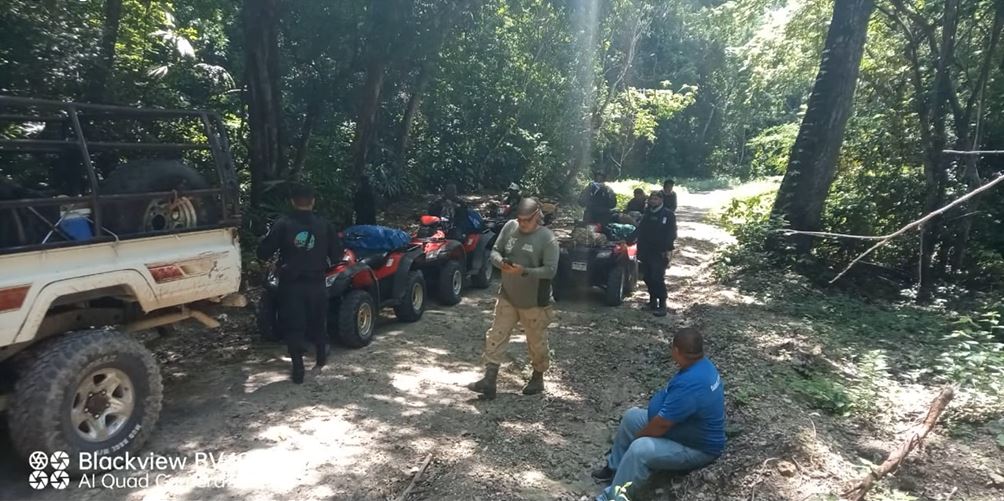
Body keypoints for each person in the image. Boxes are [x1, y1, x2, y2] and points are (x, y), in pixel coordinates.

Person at [590, 328, 725, 501]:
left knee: (640, 449)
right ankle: (615, 469)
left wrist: (639, 437)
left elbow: (661, 425)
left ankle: (613, 497)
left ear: (676, 350)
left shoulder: (692, 384)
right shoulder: (702, 365)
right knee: (632, 417)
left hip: (698, 449)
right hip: (683, 430)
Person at [467, 198, 559, 399]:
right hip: (508, 294)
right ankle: (489, 380)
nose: (522, 224)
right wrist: (501, 263)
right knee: (496, 335)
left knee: (536, 341)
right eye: (520, 219)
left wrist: (525, 271)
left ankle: (537, 376)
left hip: (535, 300)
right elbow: (495, 251)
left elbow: (551, 270)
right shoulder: (510, 227)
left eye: (527, 220)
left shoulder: (547, 238)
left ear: (537, 217)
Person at [257, 184, 343, 384]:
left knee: (294, 326)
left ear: (292, 201)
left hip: (291, 285)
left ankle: (298, 370)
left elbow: (263, 252)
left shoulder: (283, 224)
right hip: (317, 282)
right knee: (318, 321)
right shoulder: (325, 224)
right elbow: (337, 255)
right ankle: (321, 358)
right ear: (313, 201)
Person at [637, 191, 676, 316]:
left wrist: (667, 249)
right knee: (647, 276)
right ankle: (652, 301)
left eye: (655, 199)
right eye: (651, 199)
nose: (653, 201)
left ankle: (662, 304)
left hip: (660, 251)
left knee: (657, 277)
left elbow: (672, 233)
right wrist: (627, 240)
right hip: (646, 250)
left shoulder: (668, 215)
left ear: (661, 200)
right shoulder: (647, 213)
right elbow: (640, 230)